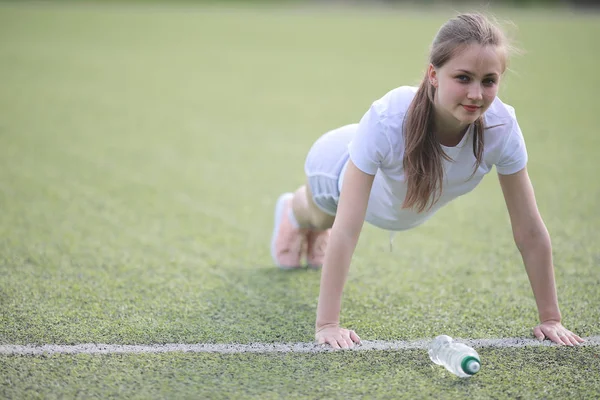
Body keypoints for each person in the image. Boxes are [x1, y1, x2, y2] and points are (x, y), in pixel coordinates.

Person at [270, 13, 584, 349]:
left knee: (333, 217)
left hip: (390, 195)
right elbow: (348, 229)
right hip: (335, 163)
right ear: (433, 74)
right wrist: (328, 324)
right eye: (463, 78)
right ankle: (293, 212)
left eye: (489, 81)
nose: (476, 94)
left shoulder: (501, 129)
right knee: (322, 213)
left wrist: (551, 318)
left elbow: (530, 230)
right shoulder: (387, 117)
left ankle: (313, 230)